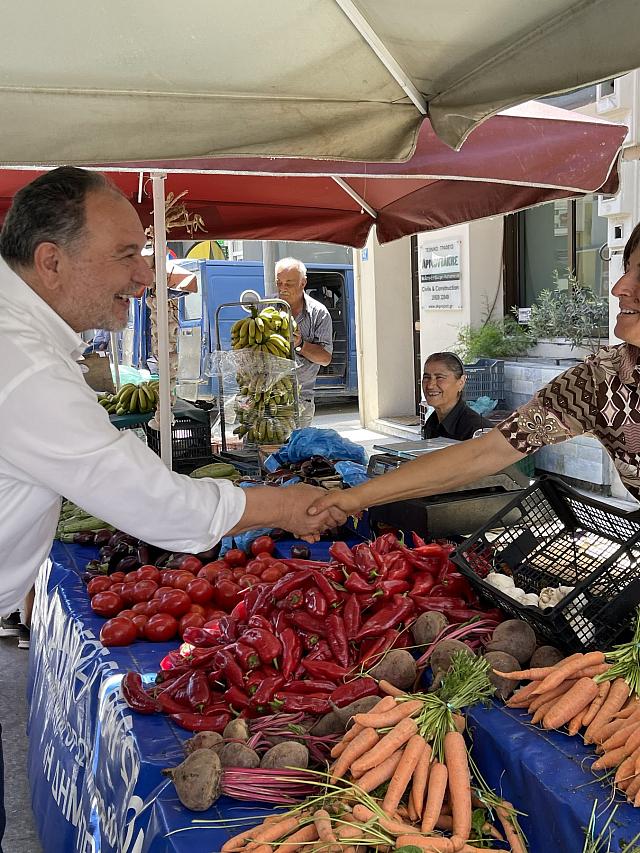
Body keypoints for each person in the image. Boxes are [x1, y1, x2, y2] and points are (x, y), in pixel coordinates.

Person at [0, 167, 345, 850]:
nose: (143, 274)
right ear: (51, 260)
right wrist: (285, 505)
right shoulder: (25, 362)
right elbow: (156, 506)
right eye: (127, 254)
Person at [309, 221, 640, 522]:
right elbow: (483, 453)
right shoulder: (601, 381)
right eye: (626, 269)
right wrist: (355, 497)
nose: (620, 287)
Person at [275, 257, 333, 428]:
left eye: (289, 284)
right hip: (266, 398)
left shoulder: (318, 314)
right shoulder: (266, 308)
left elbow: (325, 359)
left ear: (303, 283)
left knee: (296, 452)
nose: (283, 288)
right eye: (279, 283)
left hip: (300, 399)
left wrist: (300, 344)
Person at [420, 352, 490, 441]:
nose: (430, 385)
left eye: (439, 377)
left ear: (461, 382)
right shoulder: (432, 422)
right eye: (426, 377)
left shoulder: (477, 431)